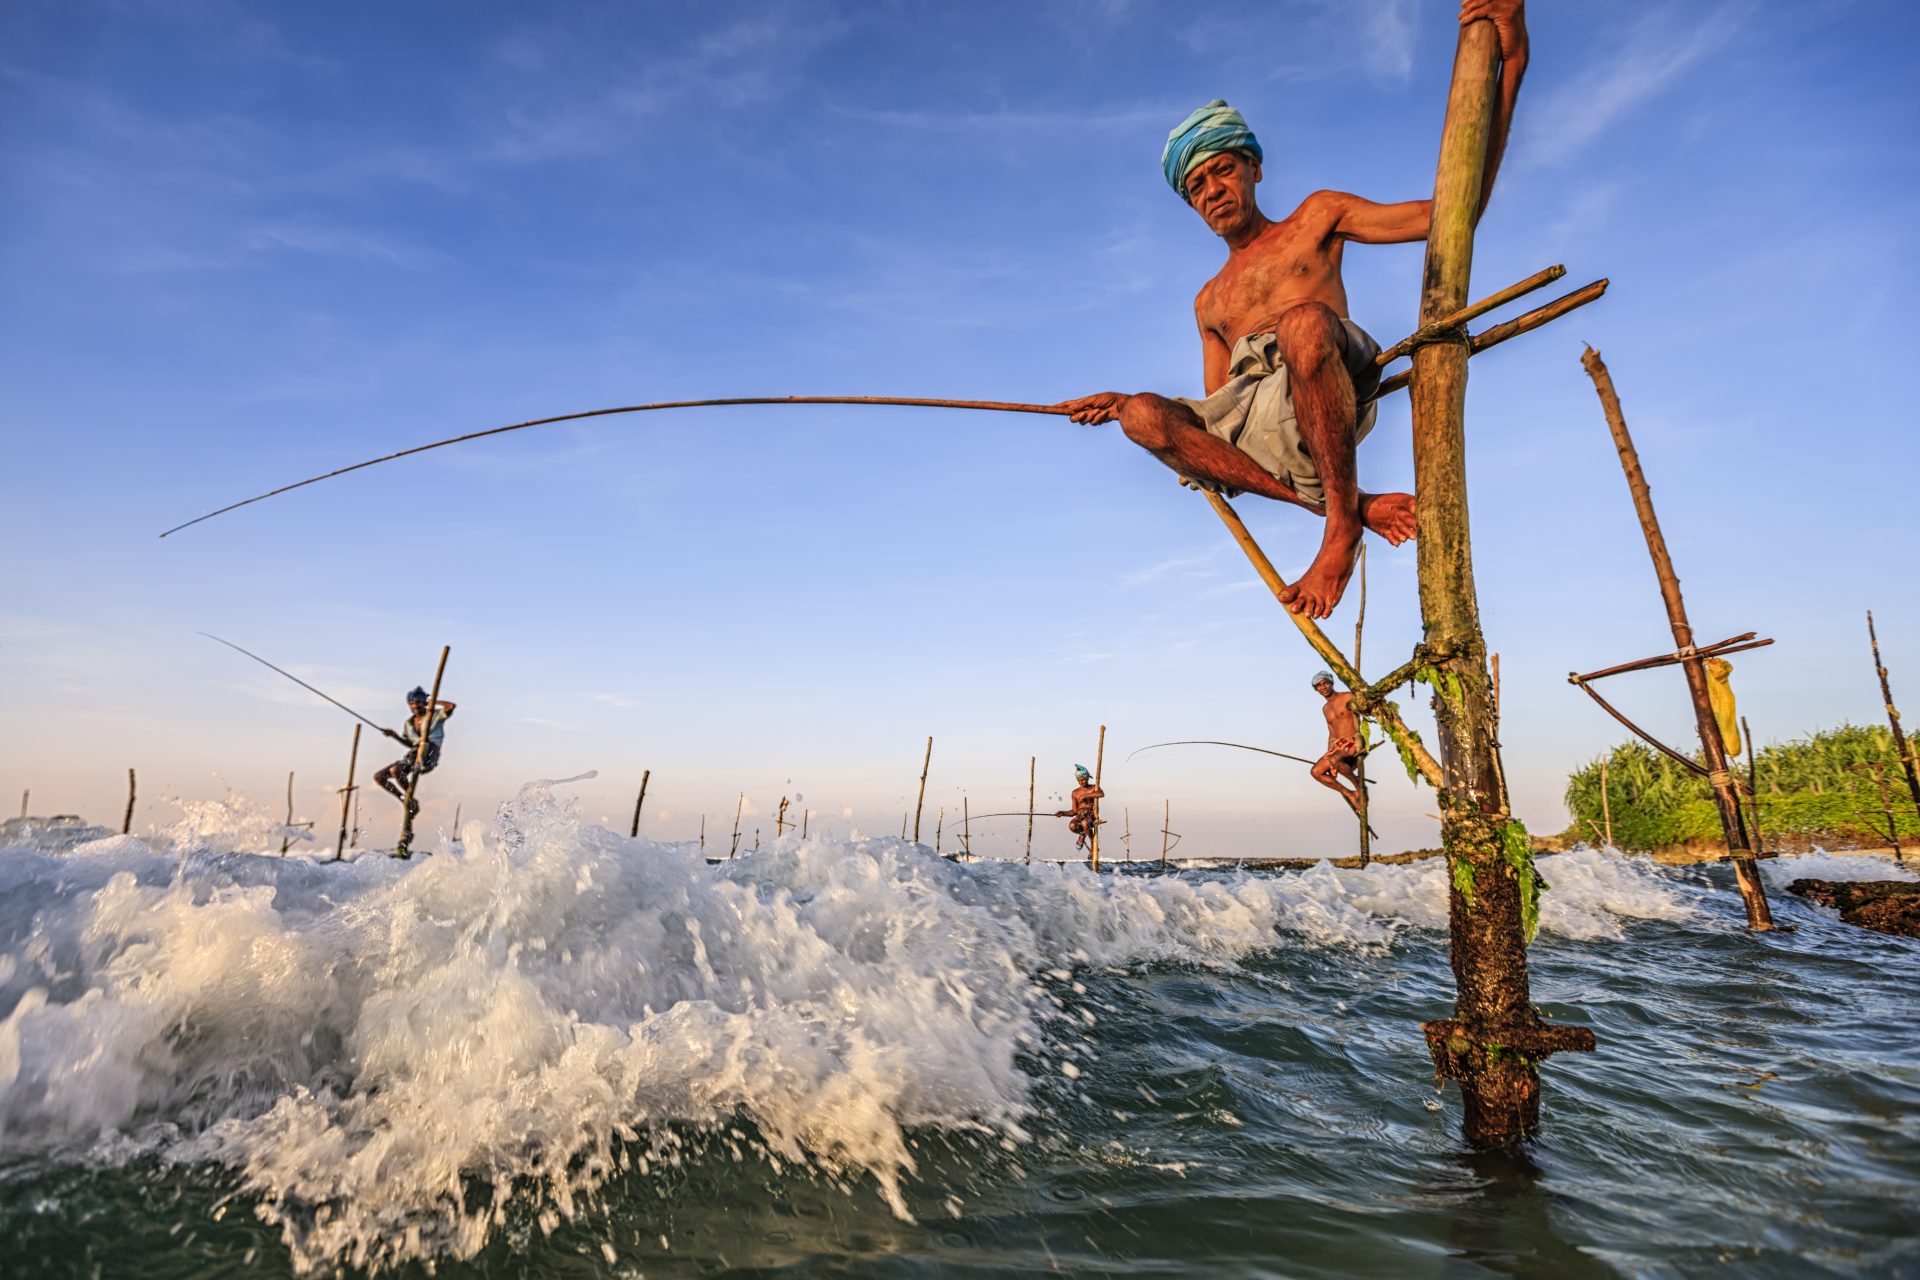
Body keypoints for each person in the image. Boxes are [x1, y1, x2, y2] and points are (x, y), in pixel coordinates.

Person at [1053, 0, 1528, 620]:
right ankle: (1351, 508)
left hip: (1325, 374)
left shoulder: (1316, 217)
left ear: (1252, 167)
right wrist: (1148, 423)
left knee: (1302, 323)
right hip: (1271, 425)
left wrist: (1511, 59)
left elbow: (1454, 211)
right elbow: (1227, 421)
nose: (1212, 191)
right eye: (1196, 187)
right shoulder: (1210, 301)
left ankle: (1339, 529)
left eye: (1221, 171)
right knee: (1142, 414)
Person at [375, 686, 456, 817]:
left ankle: (409, 798)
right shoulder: (408, 723)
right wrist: (394, 735)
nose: (415, 706)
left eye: (418, 702)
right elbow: (410, 743)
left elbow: (451, 706)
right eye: (412, 703)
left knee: (397, 769)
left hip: (429, 754)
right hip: (413, 755)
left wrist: (433, 702)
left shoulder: (434, 715)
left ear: (423, 702)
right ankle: (406, 799)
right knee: (380, 776)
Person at [1309, 672, 1364, 816]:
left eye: (1325, 683)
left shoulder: (1347, 696)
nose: (1323, 687)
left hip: (1354, 740)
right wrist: (1328, 754)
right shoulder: (1325, 709)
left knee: (1335, 760)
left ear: (1331, 683)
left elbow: (1363, 707)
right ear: (1316, 690)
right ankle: (1350, 793)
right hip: (1338, 745)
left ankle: (1358, 787)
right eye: (1319, 686)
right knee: (1316, 772)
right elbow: (1332, 734)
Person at [1053, 764, 1104, 851]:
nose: (1081, 782)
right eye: (1079, 780)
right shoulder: (1075, 792)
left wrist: (1086, 796)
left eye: (1083, 779)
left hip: (1091, 815)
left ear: (1087, 778)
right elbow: (1074, 811)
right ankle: (1083, 834)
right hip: (1079, 816)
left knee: (1084, 823)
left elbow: (1101, 794)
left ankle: (1093, 843)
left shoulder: (1094, 788)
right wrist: (1063, 813)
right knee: (1072, 826)